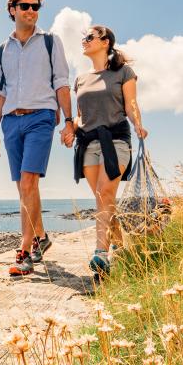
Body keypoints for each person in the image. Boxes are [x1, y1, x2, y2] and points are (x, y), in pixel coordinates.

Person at [0, 0, 74, 276]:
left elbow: (62, 80)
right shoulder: (3, 49)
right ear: (12, 9)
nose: (31, 12)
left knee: (28, 182)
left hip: (41, 117)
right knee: (25, 187)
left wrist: (69, 120)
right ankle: (41, 236)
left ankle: (24, 252)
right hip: (11, 120)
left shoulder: (50, 41)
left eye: (36, 7)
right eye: (25, 6)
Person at [68, 25, 148, 275]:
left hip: (115, 140)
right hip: (87, 143)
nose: (85, 41)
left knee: (104, 193)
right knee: (105, 199)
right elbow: (81, 115)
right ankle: (121, 247)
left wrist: (138, 125)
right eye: (84, 38)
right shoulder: (80, 79)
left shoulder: (123, 71)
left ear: (105, 42)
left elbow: (131, 104)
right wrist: (69, 128)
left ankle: (101, 254)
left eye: (89, 37)